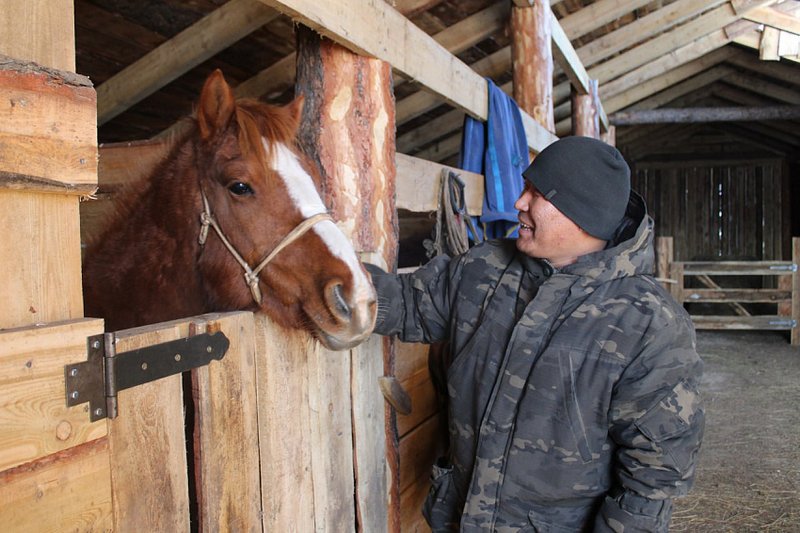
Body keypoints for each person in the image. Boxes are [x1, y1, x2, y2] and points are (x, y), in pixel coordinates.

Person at [365, 136, 704, 532]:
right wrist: (323, 268)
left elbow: (653, 477)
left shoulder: (648, 324)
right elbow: (405, 304)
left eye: (537, 193)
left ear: (581, 213)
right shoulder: (484, 268)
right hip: (460, 519)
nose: (519, 202)